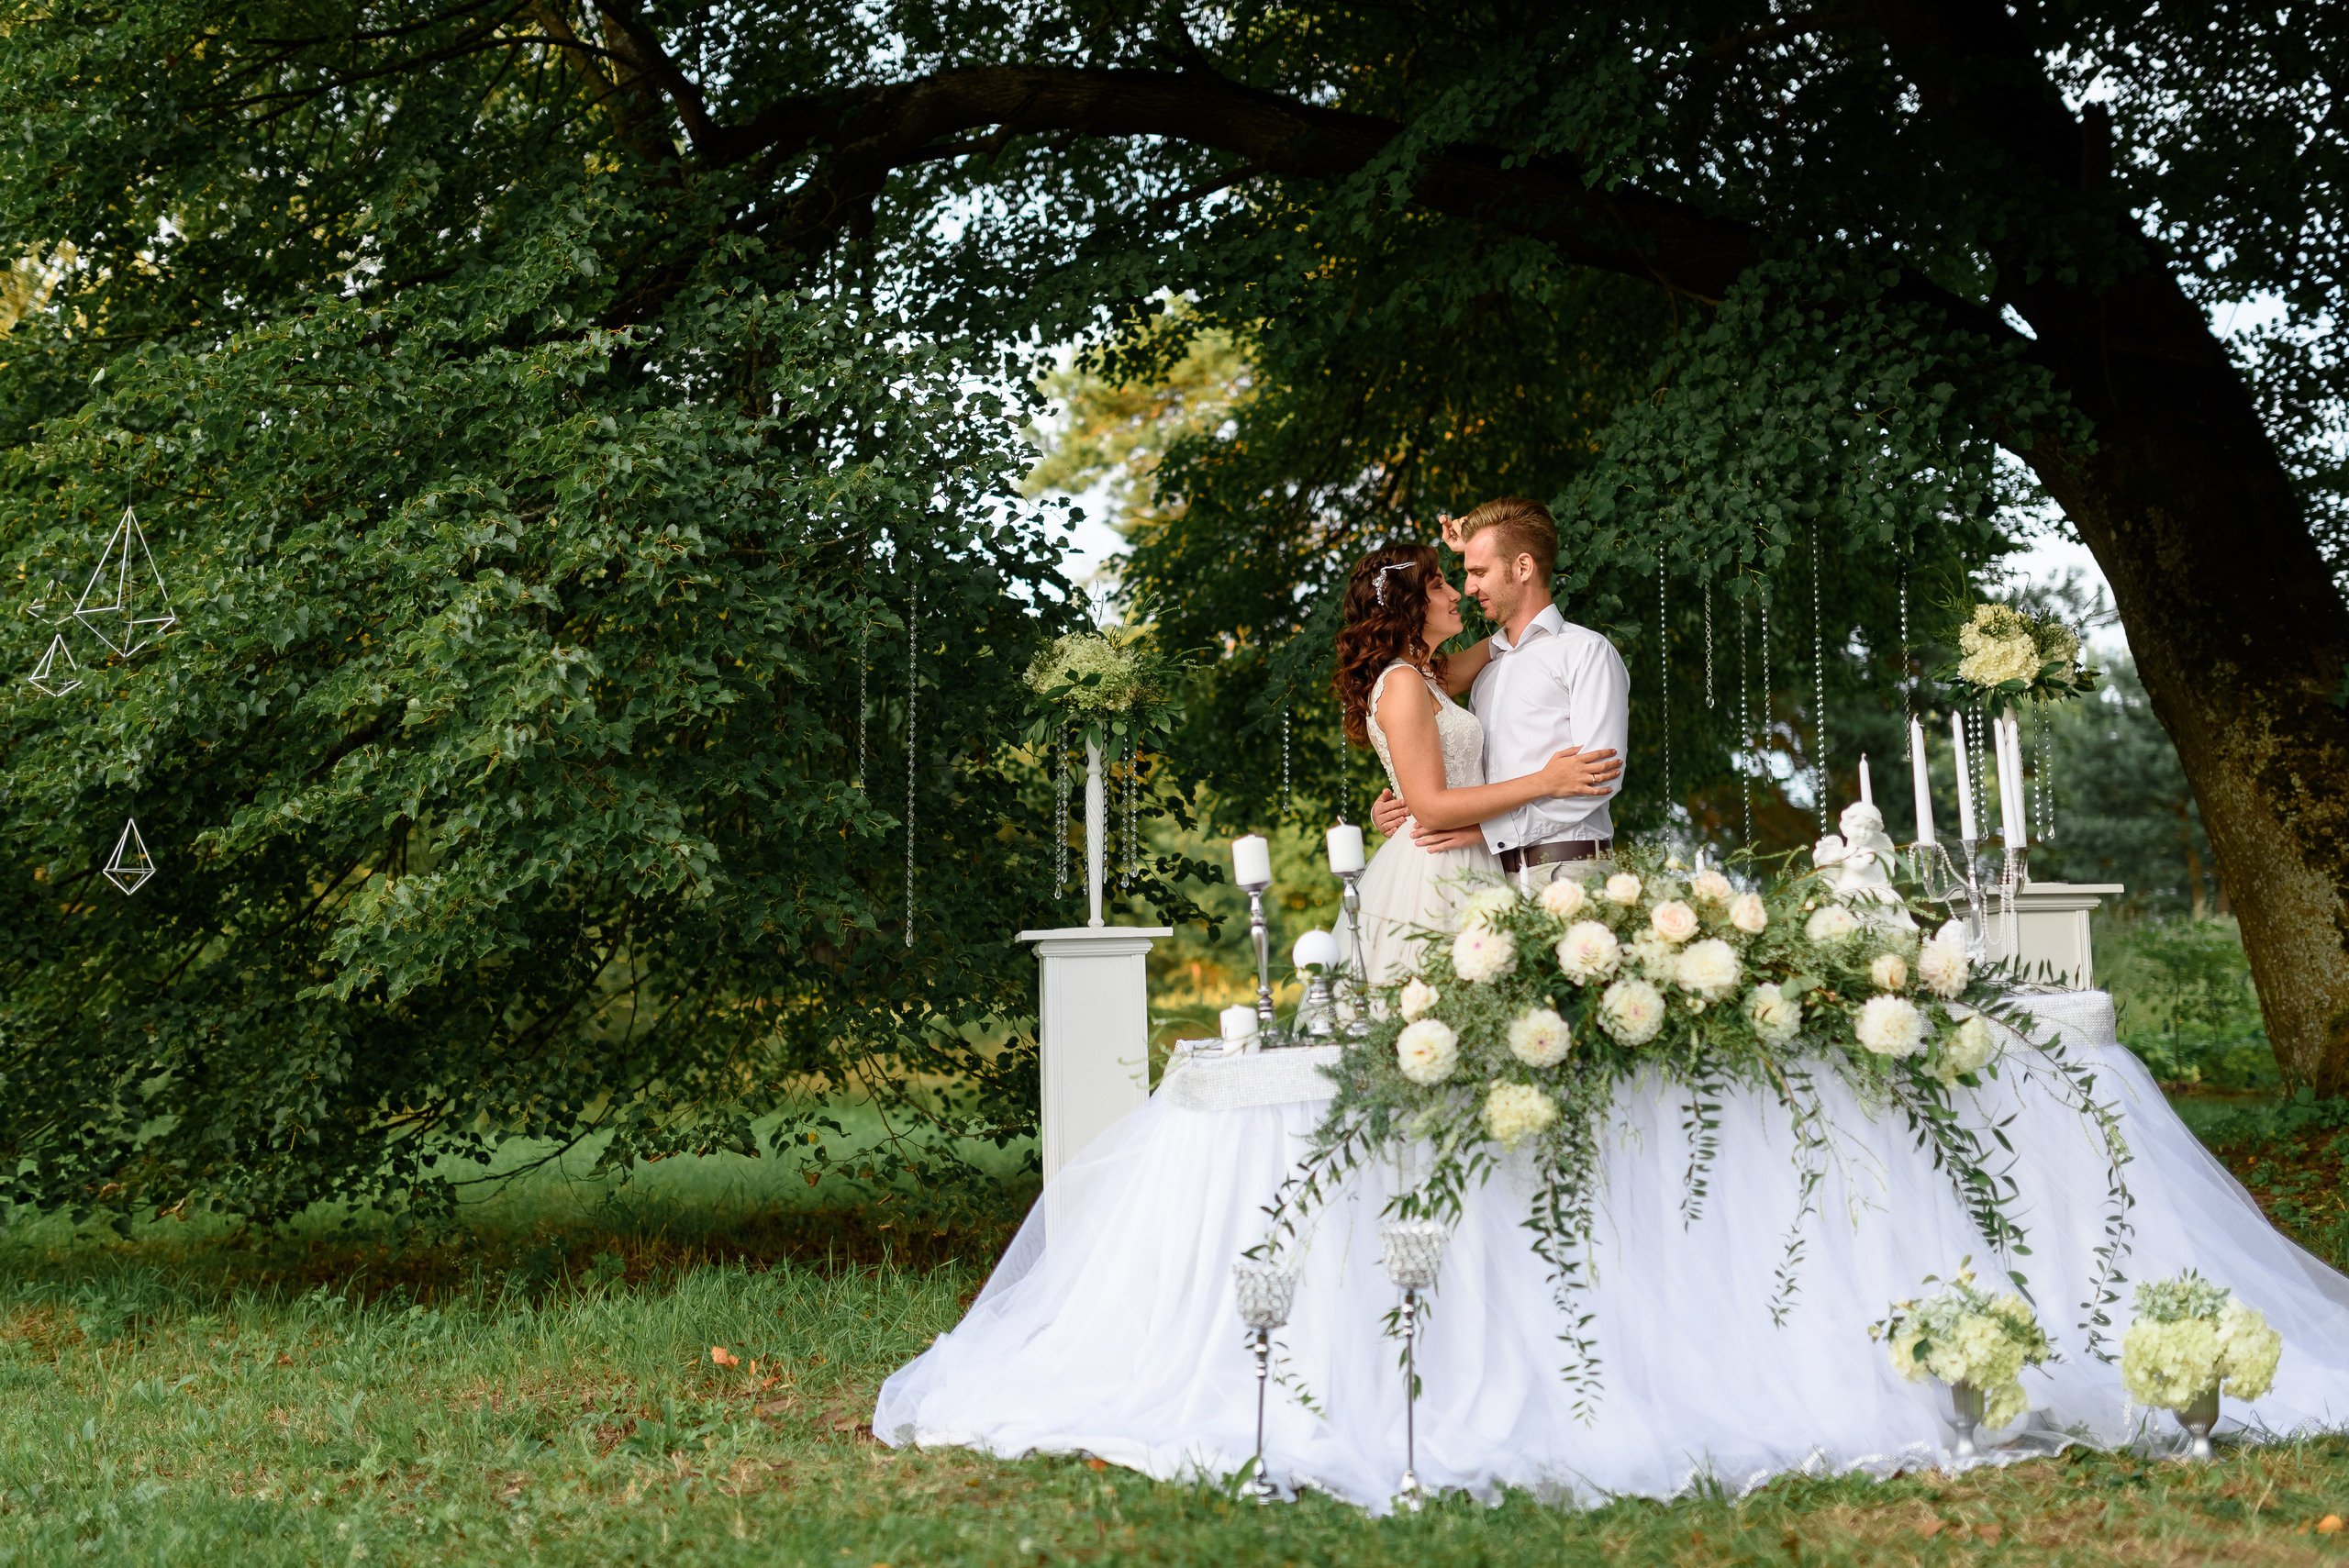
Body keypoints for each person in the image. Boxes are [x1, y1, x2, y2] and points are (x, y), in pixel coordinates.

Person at [1329, 539, 1620, 986]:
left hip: (1477, 854)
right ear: (1408, 606)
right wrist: (1544, 781)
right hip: (1440, 861)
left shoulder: (1426, 677)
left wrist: (1487, 540)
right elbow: (1430, 806)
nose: (1457, 593)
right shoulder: (1404, 682)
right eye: (1438, 585)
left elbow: (1513, 637)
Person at [1371, 496, 1630, 890]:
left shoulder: (1585, 652)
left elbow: (1598, 779)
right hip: (1487, 878)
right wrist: (1403, 807)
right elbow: (1440, 754)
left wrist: (1486, 832)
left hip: (1565, 872)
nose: (1467, 588)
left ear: (1523, 567)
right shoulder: (1486, 670)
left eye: (1478, 571)